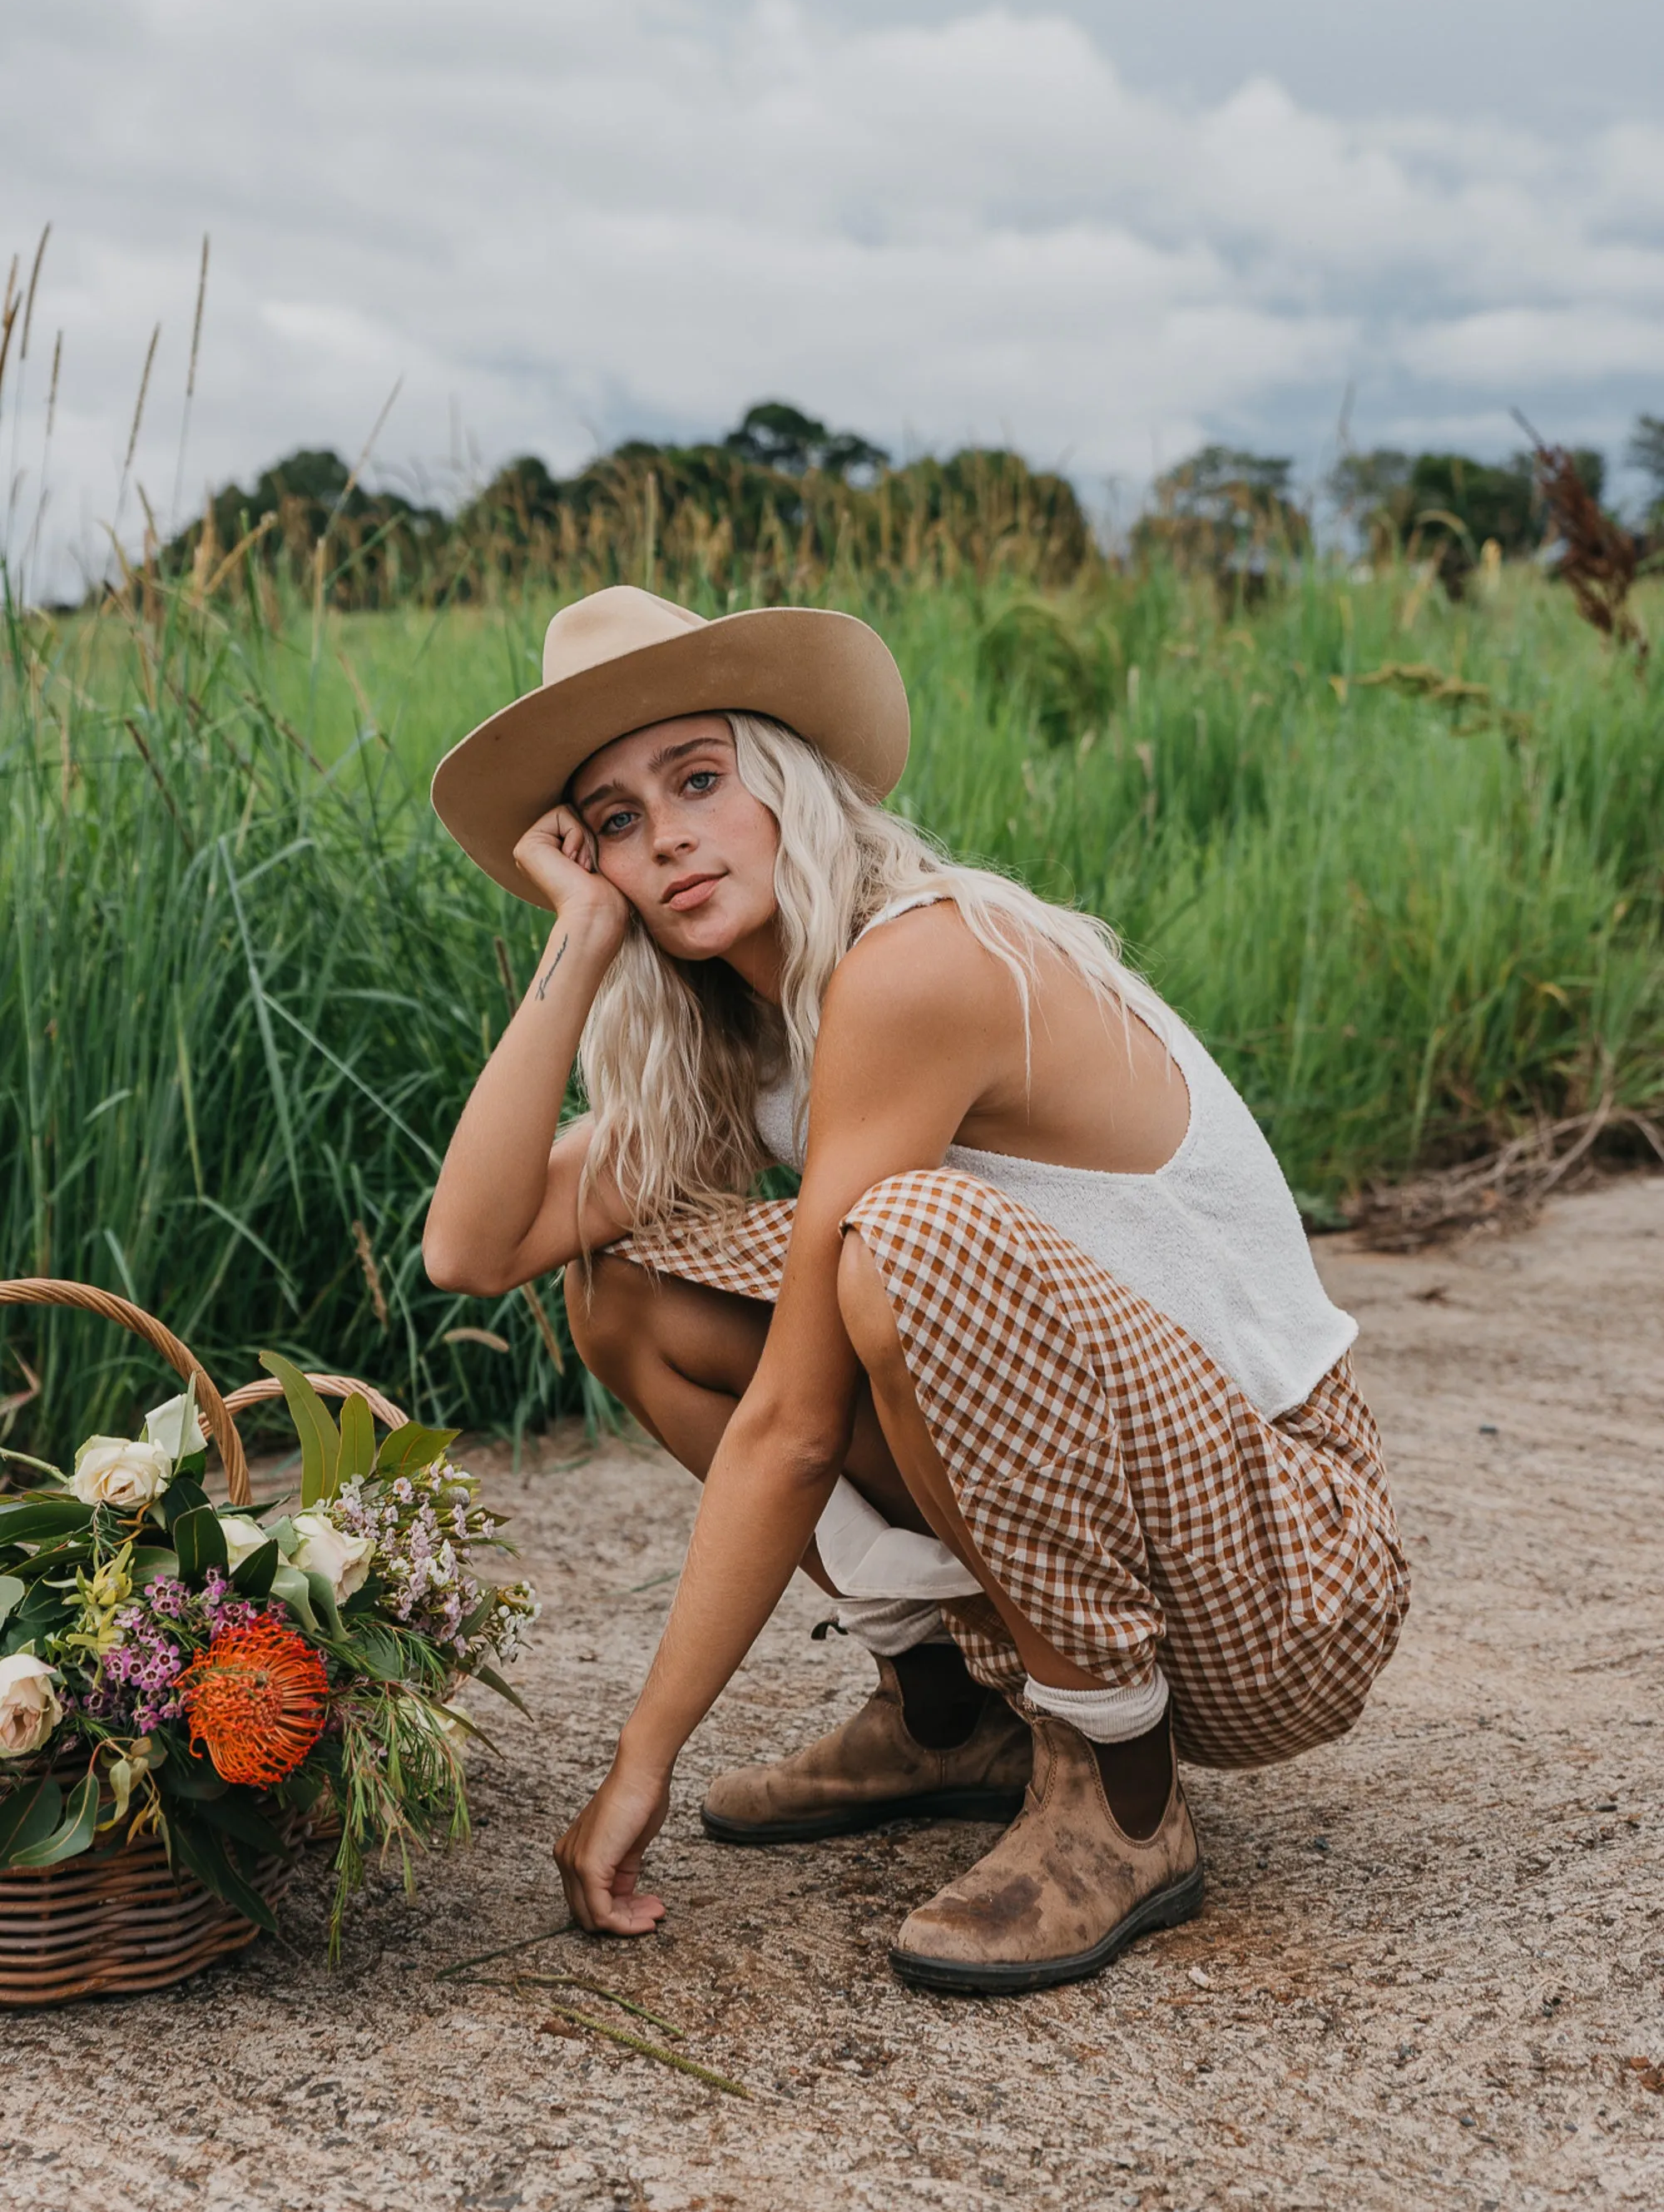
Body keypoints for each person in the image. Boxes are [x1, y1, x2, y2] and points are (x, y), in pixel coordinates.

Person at [424, 585, 1409, 1995]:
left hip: (1289, 1562)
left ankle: (1122, 1796)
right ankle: (947, 1716)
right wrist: (578, 935)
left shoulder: (917, 961)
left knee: (900, 1242)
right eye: (619, 821)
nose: (669, 837)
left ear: (783, 778)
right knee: (628, 1294)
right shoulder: (752, 1033)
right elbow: (475, 1243)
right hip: (1150, 1511)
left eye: (699, 778)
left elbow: (794, 1423)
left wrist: (639, 1764)